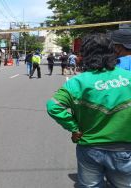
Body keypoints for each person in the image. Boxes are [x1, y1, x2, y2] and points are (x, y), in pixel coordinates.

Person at [46, 34, 131, 187]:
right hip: (124, 149)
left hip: (90, 148)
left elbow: (53, 106)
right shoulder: (128, 77)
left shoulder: (77, 82)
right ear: (112, 53)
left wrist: (74, 128)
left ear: (86, 55)